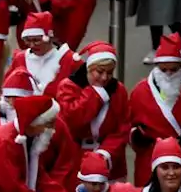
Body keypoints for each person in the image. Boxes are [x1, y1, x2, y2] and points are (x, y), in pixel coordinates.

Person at [56, 42, 131, 181]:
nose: (104, 78)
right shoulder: (68, 87)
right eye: (100, 72)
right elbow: (72, 120)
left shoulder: (118, 90)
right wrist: (95, 95)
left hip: (111, 163)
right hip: (76, 160)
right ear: (88, 69)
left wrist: (105, 154)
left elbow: (123, 128)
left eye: (109, 73)